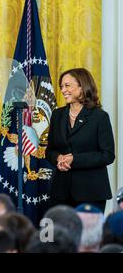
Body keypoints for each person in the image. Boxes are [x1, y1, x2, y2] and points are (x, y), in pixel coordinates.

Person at [46, 68, 115, 212]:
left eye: (67, 85)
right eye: (62, 86)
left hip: (91, 193)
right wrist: (58, 158)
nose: (63, 90)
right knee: (58, 234)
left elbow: (107, 155)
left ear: (82, 86)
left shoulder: (99, 117)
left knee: (88, 235)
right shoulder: (57, 115)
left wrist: (74, 159)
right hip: (60, 193)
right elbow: (49, 151)